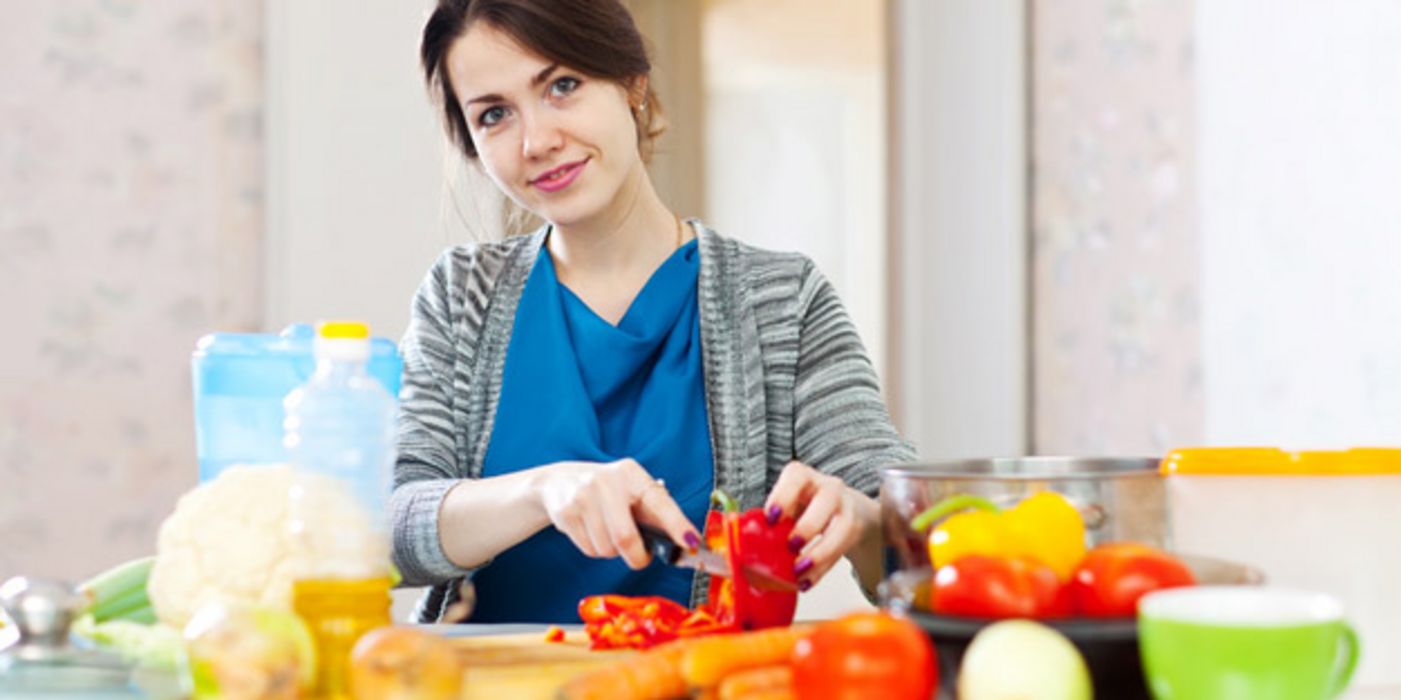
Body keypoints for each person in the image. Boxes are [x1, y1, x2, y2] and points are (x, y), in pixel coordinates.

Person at [391, 0, 915, 624]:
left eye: (563, 86)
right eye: (495, 115)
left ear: (632, 82)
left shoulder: (782, 300)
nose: (537, 141)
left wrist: (863, 522)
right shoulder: (459, 298)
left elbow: (918, 548)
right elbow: (390, 535)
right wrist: (545, 489)